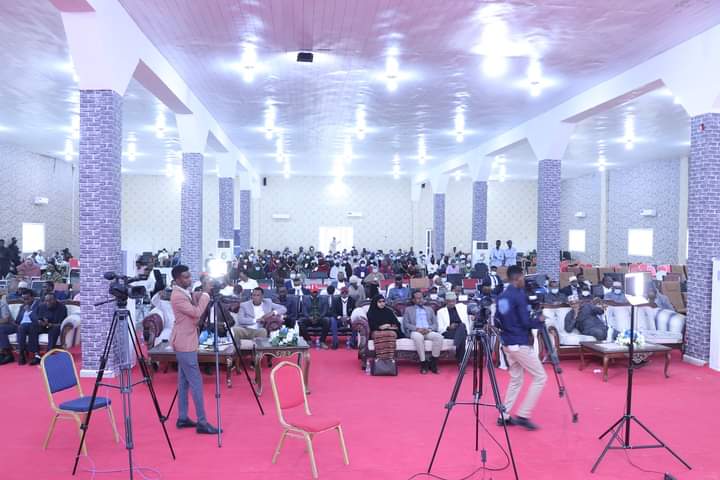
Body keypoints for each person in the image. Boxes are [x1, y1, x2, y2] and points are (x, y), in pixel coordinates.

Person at [169, 265, 220, 434]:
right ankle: (202, 422)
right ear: (177, 280)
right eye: (185, 277)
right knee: (196, 383)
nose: (189, 279)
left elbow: (192, 297)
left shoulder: (183, 292)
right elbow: (197, 313)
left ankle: (182, 418)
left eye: (189, 276)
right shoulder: (177, 296)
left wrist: (202, 292)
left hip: (185, 340)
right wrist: (205, 293)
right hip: (184, 343)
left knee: (183, 382)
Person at [496, 265, 547, 430]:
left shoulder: (502, 296)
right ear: (518, 278)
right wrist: (539, 320)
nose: (524, 280)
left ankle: (503, 415)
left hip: (507, 343)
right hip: (519, 343)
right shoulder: (518, 296)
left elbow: (498, 319)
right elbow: (526, 322)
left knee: (516, 379)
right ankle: (524, 415)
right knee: (540, 377)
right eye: (523, 277)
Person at [403, 290, 443, 374]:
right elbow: (406, 324)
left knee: (439, 337)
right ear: (413, 300)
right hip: (416, 331)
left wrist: (429, 329)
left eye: (421, 298)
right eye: (417, 298)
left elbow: (435, 324)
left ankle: (433, 363)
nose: (420, 300)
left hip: (427, 330)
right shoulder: (408, 310)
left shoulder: (429, 309)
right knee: (418, 337)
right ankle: (423, 363)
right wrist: (417, 329)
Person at [367, 294, 403, 360]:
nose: (382, 303)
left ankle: (390, 358)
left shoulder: (388, 311)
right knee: (383, 335)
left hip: (390, 330)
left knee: (391, 334)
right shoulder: (371, 312)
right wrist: (380, 327)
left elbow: (397, 323)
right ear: (375, 302)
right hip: (376, 331)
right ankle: (381, 359)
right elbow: (371, 325)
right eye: (379, 302)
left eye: (383, 301)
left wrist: (389, 326)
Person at [437, 292, 469, 364]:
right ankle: (461, 361)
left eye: (453, 301)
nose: (451, 303)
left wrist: (473, 316)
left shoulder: (462, 307)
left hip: (461, 329)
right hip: (449, 332)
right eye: (449, 301)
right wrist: (449, 327)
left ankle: (456, 345)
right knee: (462, 335)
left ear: (456, 301)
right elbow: (440, 328)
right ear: (445, 301)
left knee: (462, 326)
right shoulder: (440, 312)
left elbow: (471, 311)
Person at [14, 290, 41, 365]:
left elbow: (37, 319)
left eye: (27, 299)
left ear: (33, 298)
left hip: (34, 325)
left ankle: (23, 353)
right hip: (22, 327)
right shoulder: (22, 307)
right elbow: (18, 320)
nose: (25, 301)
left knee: (23, 327)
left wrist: (29, 311)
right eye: (23, 299)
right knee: (21, 327)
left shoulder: (39, 305)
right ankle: (22, 353)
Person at [0, 296, 16, 365]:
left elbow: (5, 320)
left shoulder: (2, 304)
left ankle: (8, 354)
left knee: (0, 328)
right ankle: (2, 353)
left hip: (11, 326)